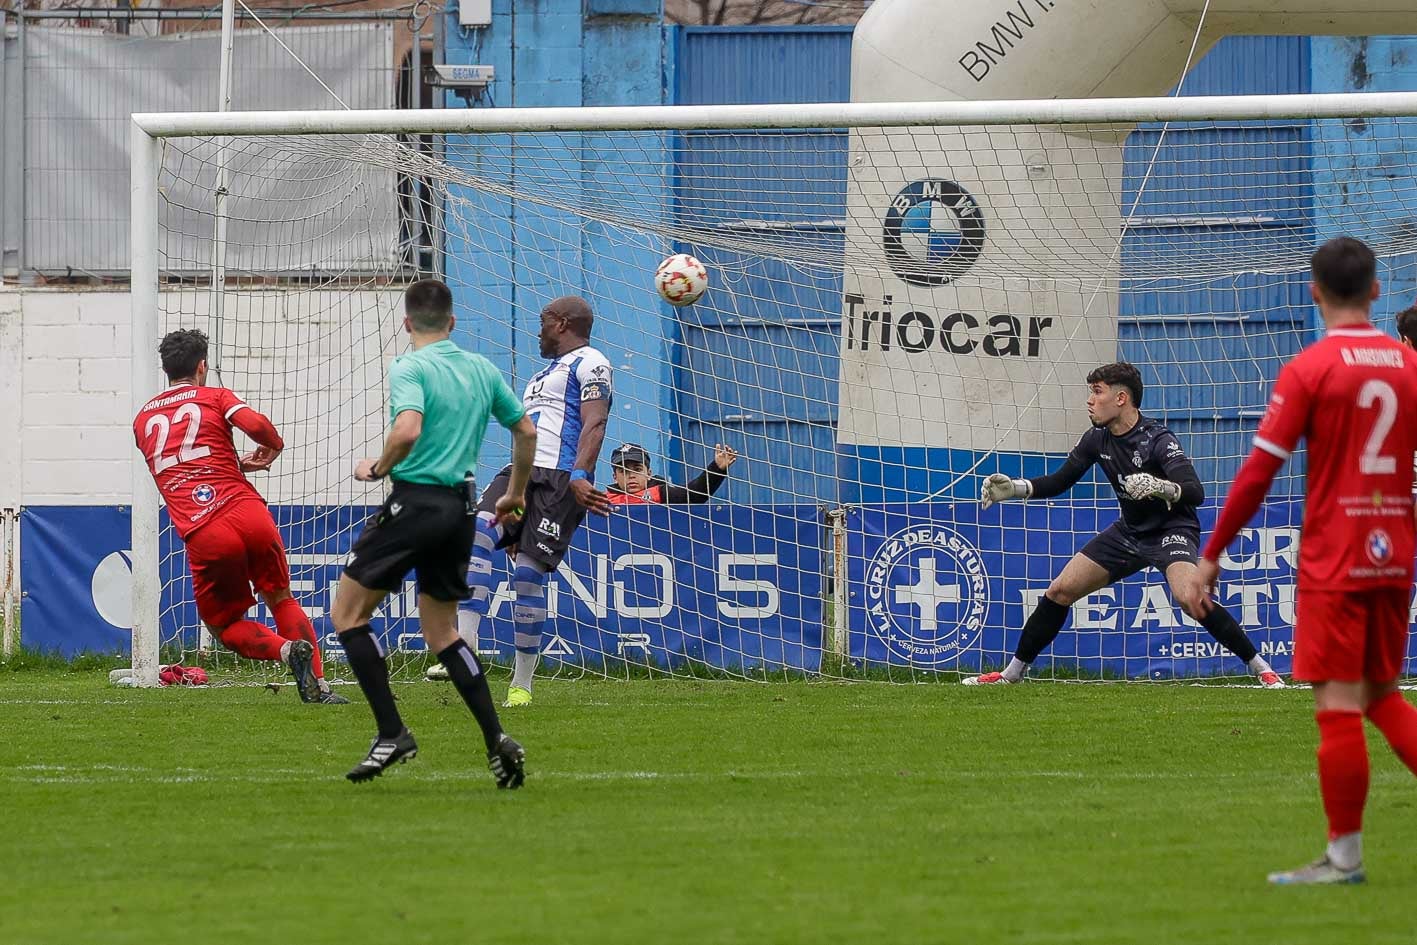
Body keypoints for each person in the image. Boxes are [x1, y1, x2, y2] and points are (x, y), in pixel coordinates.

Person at [1179, 237, 1417, 885]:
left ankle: (1342, 859)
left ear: (1312, 292)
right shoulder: (1407, 363)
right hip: (1394, 551)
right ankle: (1340, 857)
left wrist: (1211, 552)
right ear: (1375, 289)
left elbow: (1259, 469)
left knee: (1338, 702)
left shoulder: (1310, 367)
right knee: (1380, 694)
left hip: (1336, 555)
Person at [331, 279, 537, 786]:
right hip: (461, 510)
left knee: (348, 614)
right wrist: (515, 492)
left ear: (406, 324)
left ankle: (392, 733)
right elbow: (526, 430)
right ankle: (496, 739)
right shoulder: (481, 369)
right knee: (442, 631)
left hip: (416, 503)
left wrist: (376, 469)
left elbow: (407, 430)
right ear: (452, 323)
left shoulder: (409, 365)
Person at [967, 361, 1282, 688]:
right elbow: (1061, 482)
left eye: (1097, 392)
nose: (1090, 400)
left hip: (1170, 531)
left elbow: (1195, 492)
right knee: (1060, 590)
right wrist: (1016, 489)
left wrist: (1161, 487)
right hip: (1128, 532)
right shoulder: (1096, 439)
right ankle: (1011, 675)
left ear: (1121, 399)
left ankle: (1263, 670)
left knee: (1190, 597)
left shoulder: (1159, 439)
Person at [132, 329, 345, 704]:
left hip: (206, 530)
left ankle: (283, 651)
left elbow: (184, 460)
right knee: (280, 596)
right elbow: (258, 428)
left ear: (165, 368)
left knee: (223, 626)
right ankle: (319, 686)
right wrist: (271, 447)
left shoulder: (143, 420)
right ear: (202, 366)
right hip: (247, 512)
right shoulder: (215, 397)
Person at [429, 296, 614, 707]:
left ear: (563, 324)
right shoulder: (541, 376)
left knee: (527, 577)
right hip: (520, 474)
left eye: (544, 322)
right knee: (476, 532)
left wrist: (581, 474)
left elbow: (595, 421)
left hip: (559, 480)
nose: (538, 330)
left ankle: (522, 683)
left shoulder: (592, 362)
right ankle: (465, 649)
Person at [606, 442, 738, 505]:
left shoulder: (661, 494)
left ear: (649, 473)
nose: (631, 476)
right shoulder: (602, 501)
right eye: (624, 471)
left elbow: (695, 495)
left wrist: (716, 468)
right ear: (615, 477)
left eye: (637, 469)